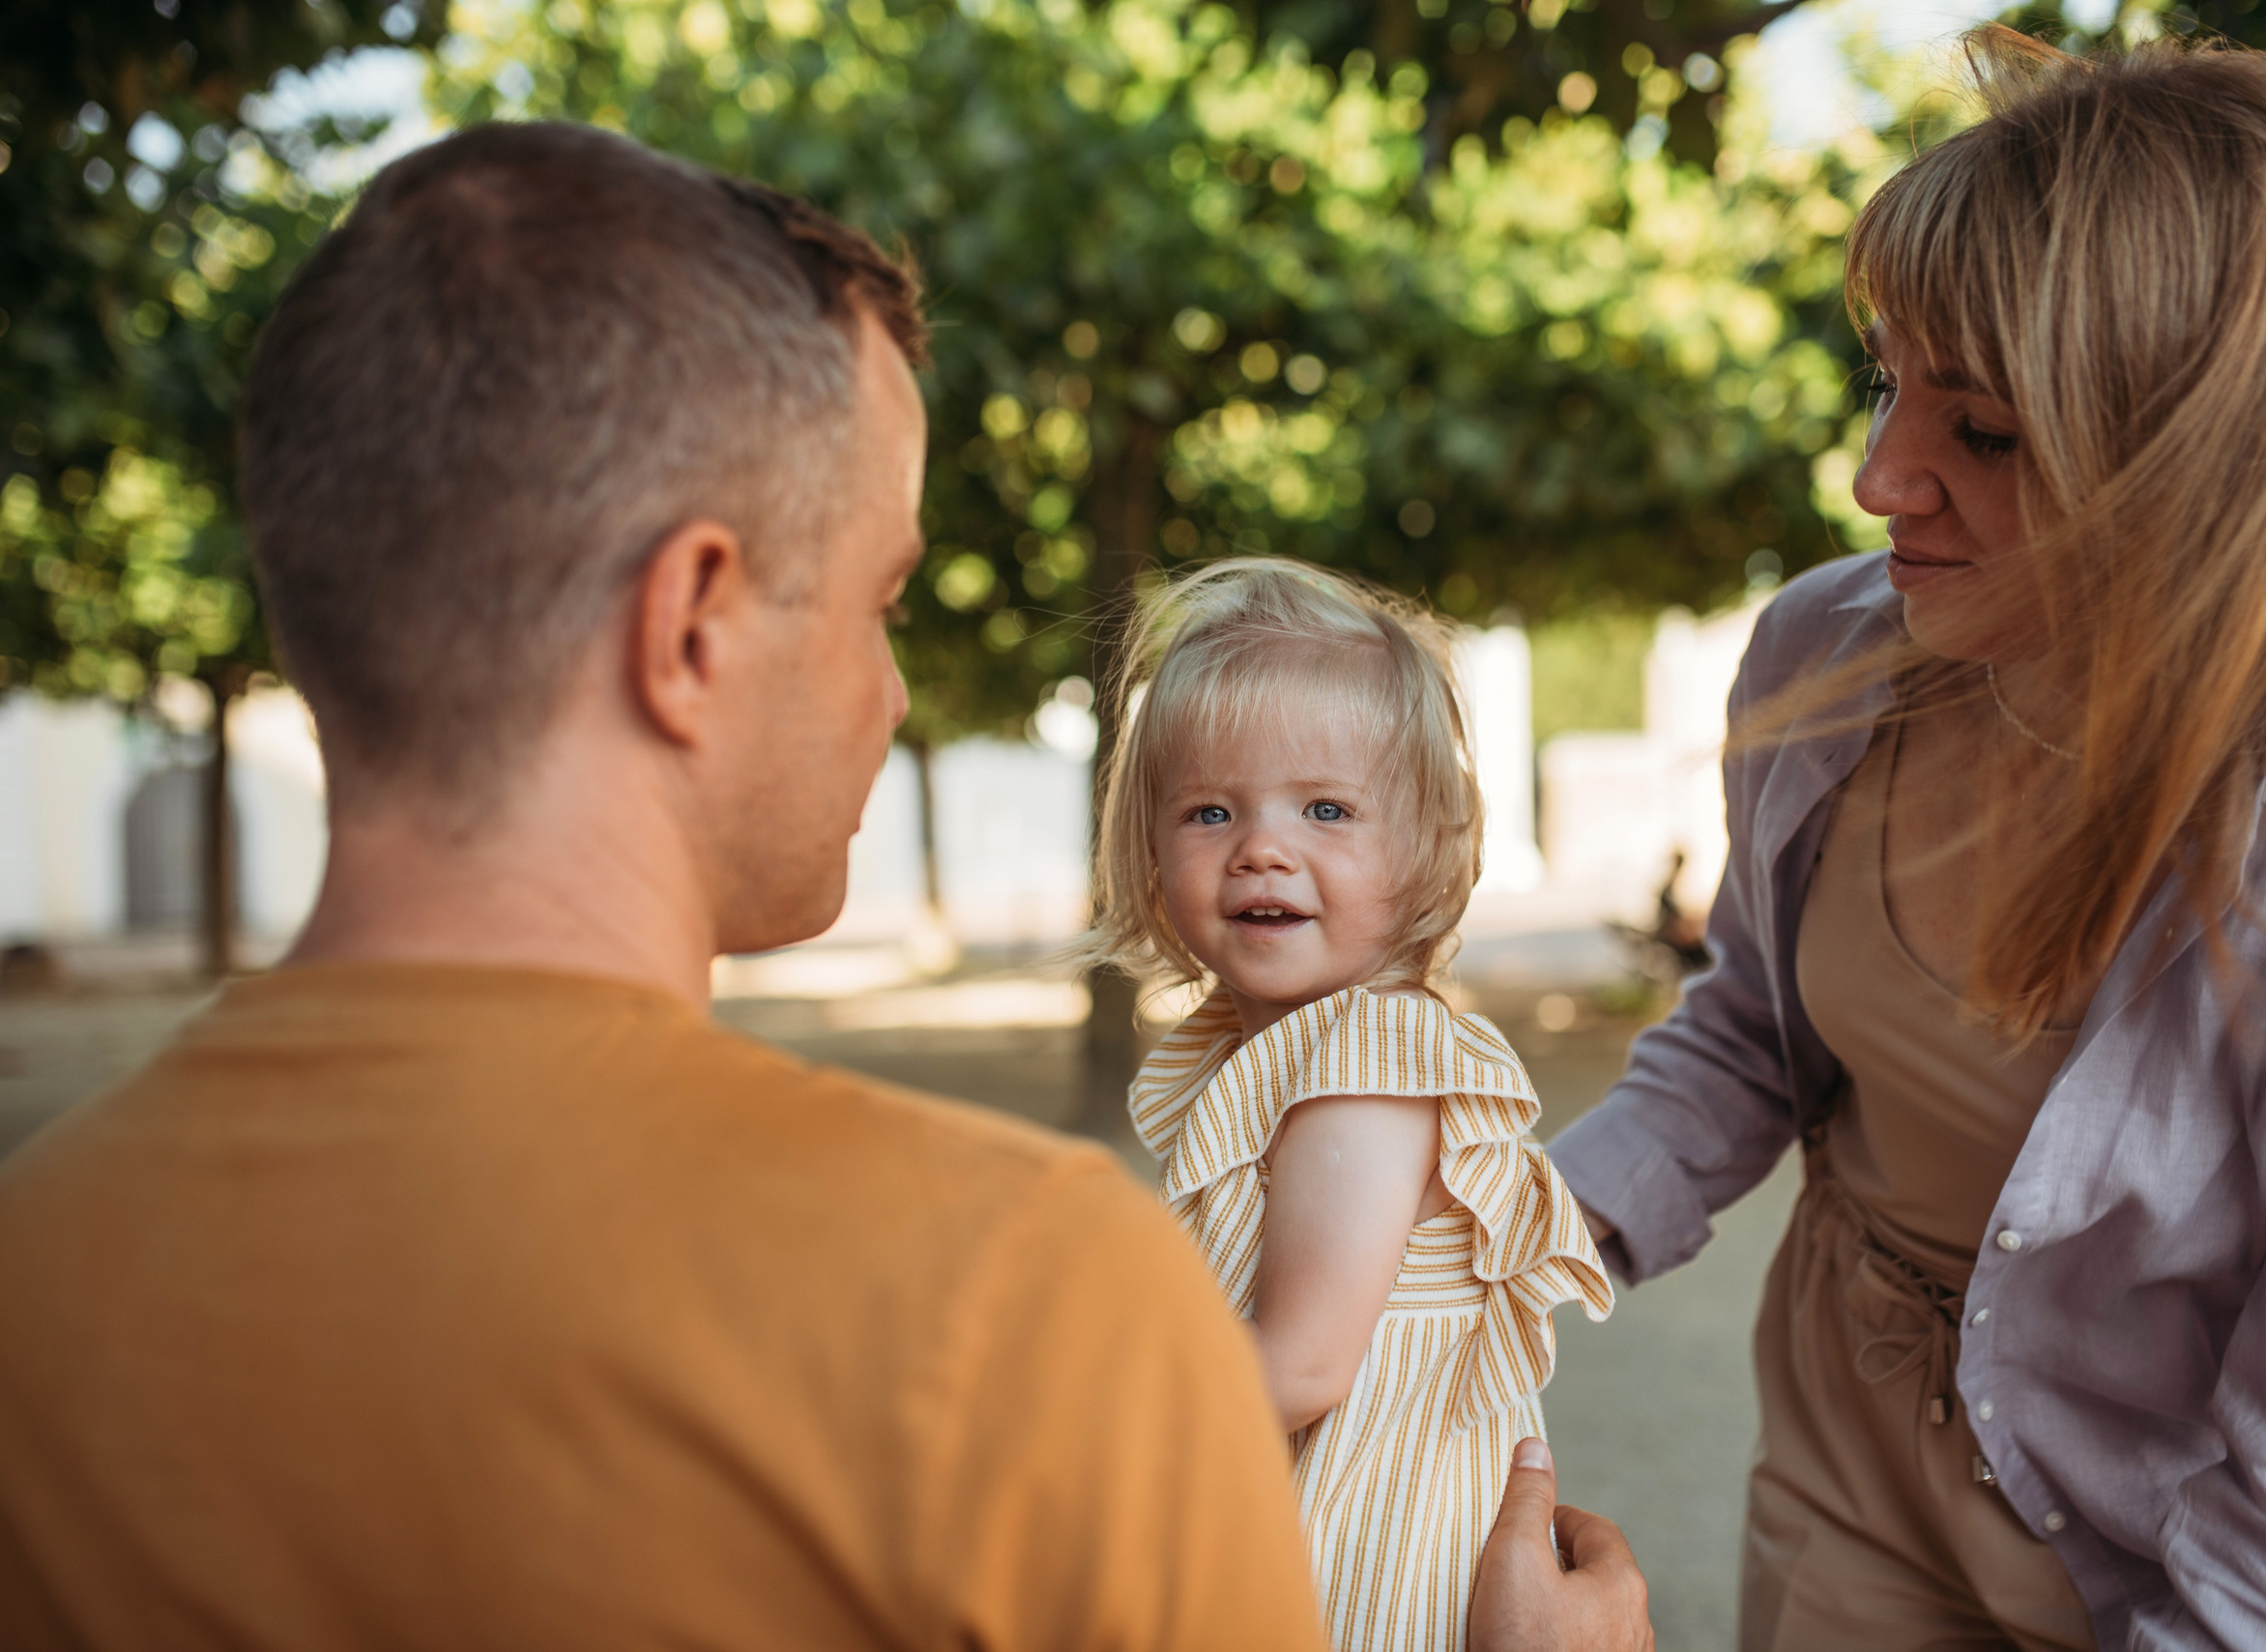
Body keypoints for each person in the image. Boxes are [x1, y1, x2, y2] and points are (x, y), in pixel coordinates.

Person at [0, 122, 1649, 1652]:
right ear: (693, 624)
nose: (895, 693)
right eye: (879, 598)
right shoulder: (1025, 1296)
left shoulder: (41, 1272)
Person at [1551, 26, 2266, 1652]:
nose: (1873, 475)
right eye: (1887, 381)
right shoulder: (1824, 663)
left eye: (1981, 430)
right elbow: (1751, 1039)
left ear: (2211, 473)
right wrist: (1484, 1250)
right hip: (1839, 1478)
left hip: (2144, 1570)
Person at [1093, 561, 1614, 1652]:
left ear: (1425, 843)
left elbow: (1300, 1363)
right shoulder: (1271, 1049)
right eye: (1208, 809)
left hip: (1357, 1567)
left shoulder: (1370, 1060)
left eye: (1325, 807)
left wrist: (1079, 1424)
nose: (1261, 846)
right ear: (1148, 844)